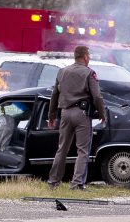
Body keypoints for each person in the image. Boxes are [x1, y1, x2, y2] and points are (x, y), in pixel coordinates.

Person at [47, 45, 106, 190]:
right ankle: (77, 183)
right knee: (82, 150)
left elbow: (54, 95)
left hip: (65, 113)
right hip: (82, 114)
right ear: (85, 56)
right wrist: (102, 114)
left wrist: (52, 116)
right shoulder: (89, 73)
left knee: (62, 149)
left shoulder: (62, 72)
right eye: (89, 56)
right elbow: (97, 96)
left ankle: (53, 182)